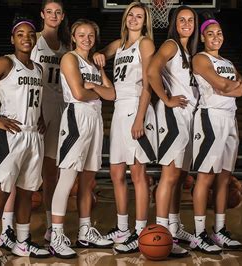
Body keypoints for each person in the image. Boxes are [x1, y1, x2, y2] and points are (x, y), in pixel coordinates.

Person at [0, 15, 51, 265]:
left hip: (33, 136)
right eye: (20, 34)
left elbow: (34, 98)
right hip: (10, 136)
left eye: (30, 34)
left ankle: (23, 243)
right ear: (12, 39)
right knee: (0, 191)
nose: (26, 38)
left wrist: (42, 118)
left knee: (26, 191)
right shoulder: (5, 63)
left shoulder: (38, 68)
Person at [0, 0, 70, 250]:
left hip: (59, 107)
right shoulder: (31, 37)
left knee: (52, 173)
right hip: (35, 109)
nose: (53, 15)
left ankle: (51, 227)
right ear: (42, 15)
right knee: (16, 173)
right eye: (48, 11)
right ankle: (7, 229)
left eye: (58, 12)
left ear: (62, 16)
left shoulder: (67, 44)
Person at [92, 2, 157, 253]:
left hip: (136, 108)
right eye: (131, 14)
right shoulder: (119, 44)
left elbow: (149, 83)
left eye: (139, 16)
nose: (134, 19)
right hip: (119, 109)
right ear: (125, 18)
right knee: (116, 174)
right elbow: (99, 53)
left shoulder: (146, 43)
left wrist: (140, 118)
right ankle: (122, 228)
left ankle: (140, 231)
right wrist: (98, 55)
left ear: (145, 21)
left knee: (138, 174)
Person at [48, 19, 116, 259]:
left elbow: (111, 94)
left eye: (90, 35)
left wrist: (94, 84)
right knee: (67, 177)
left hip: (95, 118)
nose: (86, 38)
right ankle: (56, 235)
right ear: (74, 37)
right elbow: (78, 92)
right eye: (81, 34)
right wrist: (95, 89)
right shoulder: (70, 58)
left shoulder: (94, 63)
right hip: (76, 117)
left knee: (88, 181)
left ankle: (85, 230)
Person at [190, 17, 242, 254]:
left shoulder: (226, 61)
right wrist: (229, 86)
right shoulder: (201, 58)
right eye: (211, 33)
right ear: (203, 37)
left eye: (219, 33)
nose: (216, 37)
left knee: (224, 177)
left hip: (230, 119)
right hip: (210, 118)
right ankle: (199, 234)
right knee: (205, 177)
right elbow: (223, 86)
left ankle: (219, 230)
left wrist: (228, 85)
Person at [147, 5, 200, 257]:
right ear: (174, 23)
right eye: (182, 19)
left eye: (190, 20)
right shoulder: (171, 44)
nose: (187, 23)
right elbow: (151, 70)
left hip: (187, 116)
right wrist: (166, 99)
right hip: (173, 115)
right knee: (169, 175)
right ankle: (161, 232)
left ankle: (175, 226)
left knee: (179, 177)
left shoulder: (189, 51)